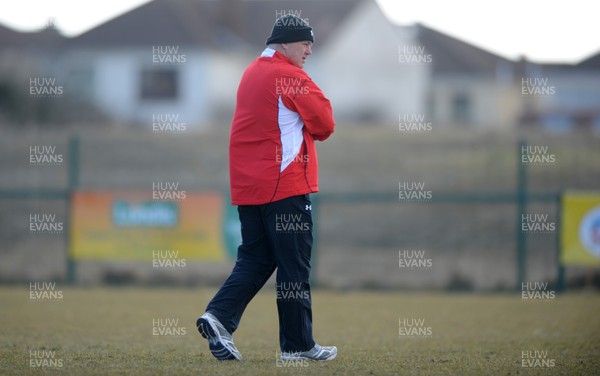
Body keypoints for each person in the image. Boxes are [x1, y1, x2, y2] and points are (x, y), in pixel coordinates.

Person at [196, 14, 336, 362]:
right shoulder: (288, 75)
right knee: (294, 266)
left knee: (256, 258)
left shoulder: (250, 73)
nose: (309, 51)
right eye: (305, 43)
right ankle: (297, 346)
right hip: (285, 186)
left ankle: (218, 317)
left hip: (249, 189)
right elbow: (325, 123)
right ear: (285, 43)